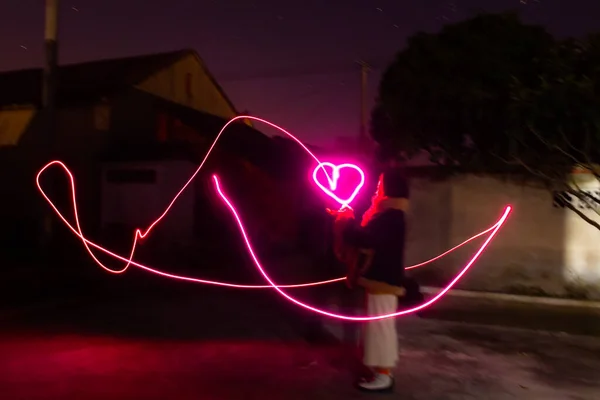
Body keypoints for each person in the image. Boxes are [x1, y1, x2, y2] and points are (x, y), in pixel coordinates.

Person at [331, 164, 410, 392]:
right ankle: (380, 372)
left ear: (390, 189)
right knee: (377, 327)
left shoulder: (392, 216)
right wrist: (345, 219)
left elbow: (368, 240)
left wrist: (346, 222)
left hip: (383, 281)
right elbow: (368, 238)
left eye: (380, 185)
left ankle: (384, 375)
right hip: (379, 280)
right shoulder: (388, 214)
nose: (376, 190)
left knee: (381, 328)